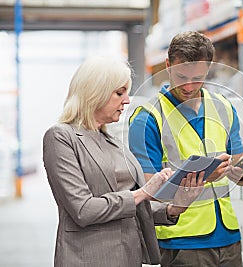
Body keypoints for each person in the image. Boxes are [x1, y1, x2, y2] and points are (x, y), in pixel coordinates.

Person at [42, 55, 204, 267]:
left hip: (128, 255)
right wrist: (143, 192)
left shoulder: (112, 141)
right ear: (95, 92)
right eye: (119, 93)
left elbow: (133, 206)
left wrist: (174, 208)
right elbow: (82, 209)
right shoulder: (61, 137)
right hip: (87, 258)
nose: (126, 100)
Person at [128, 31, 243, 267]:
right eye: (181, 76)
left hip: (228, 237)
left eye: (198, 78)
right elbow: (150, 193)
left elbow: (241, 175)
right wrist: (207, 177)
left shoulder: (224, 107)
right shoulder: (147, 118)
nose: (188, 86)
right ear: (168, 65)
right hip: (181, 243)